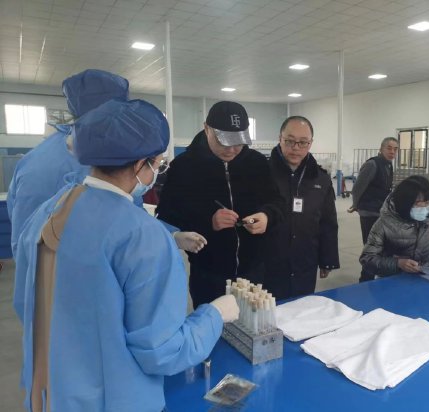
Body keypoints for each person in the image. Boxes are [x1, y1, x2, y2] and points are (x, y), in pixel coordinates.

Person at [13, 99, 239, 412]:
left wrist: (170, 237)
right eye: (158, 164)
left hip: (48, 395)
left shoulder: (48, 211)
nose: (156, 170)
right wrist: (214, 315)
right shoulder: (143, 236)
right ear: (141, 164)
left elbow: (26, 303)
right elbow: (164, 351)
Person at [156, 101, 284, 308]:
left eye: (238, 142)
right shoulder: (183, 167)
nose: (232, 150)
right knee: (211, 325)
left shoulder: (258, 163)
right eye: (224, 142)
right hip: (209, 274)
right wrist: (208, 222)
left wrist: (267, 216)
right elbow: (167, 218)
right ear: (207, 128)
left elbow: (277, 202)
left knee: (253, 322)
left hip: (254, 271)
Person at [7, 69, 128, 256]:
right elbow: (126, 226)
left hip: (31, 265)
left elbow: (17, 215)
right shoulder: (106, 159)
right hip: (88, 267)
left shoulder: (34, 157)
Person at [263, 116, 339, 300]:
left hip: (305, 260)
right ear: (280, 139)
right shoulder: (262, 173)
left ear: (310, 143)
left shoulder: (320, 178)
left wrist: (327, 259)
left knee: (301, 307)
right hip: (267, 260)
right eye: (290, 141)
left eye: (303, 142)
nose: (296, 148)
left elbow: (328, 221)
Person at [359, 175, 429, 277]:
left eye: (427, 203)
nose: (423, 208)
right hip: (395, 278)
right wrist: (398, 264)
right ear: (404, 203)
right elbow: (367, 259)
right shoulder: (384, 223)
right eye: (417, 203)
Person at [348, 137, 398, 281]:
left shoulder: (388, 165)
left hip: (380, 212)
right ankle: (365, 279)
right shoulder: (372, 164)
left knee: (382, 246)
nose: (392, 152)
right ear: (381, 149)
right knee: (371, 247)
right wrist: (356, 205)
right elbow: (358, 187)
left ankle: (376, 276)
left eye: (395, 149)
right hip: (369, 212)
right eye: (389, 148)